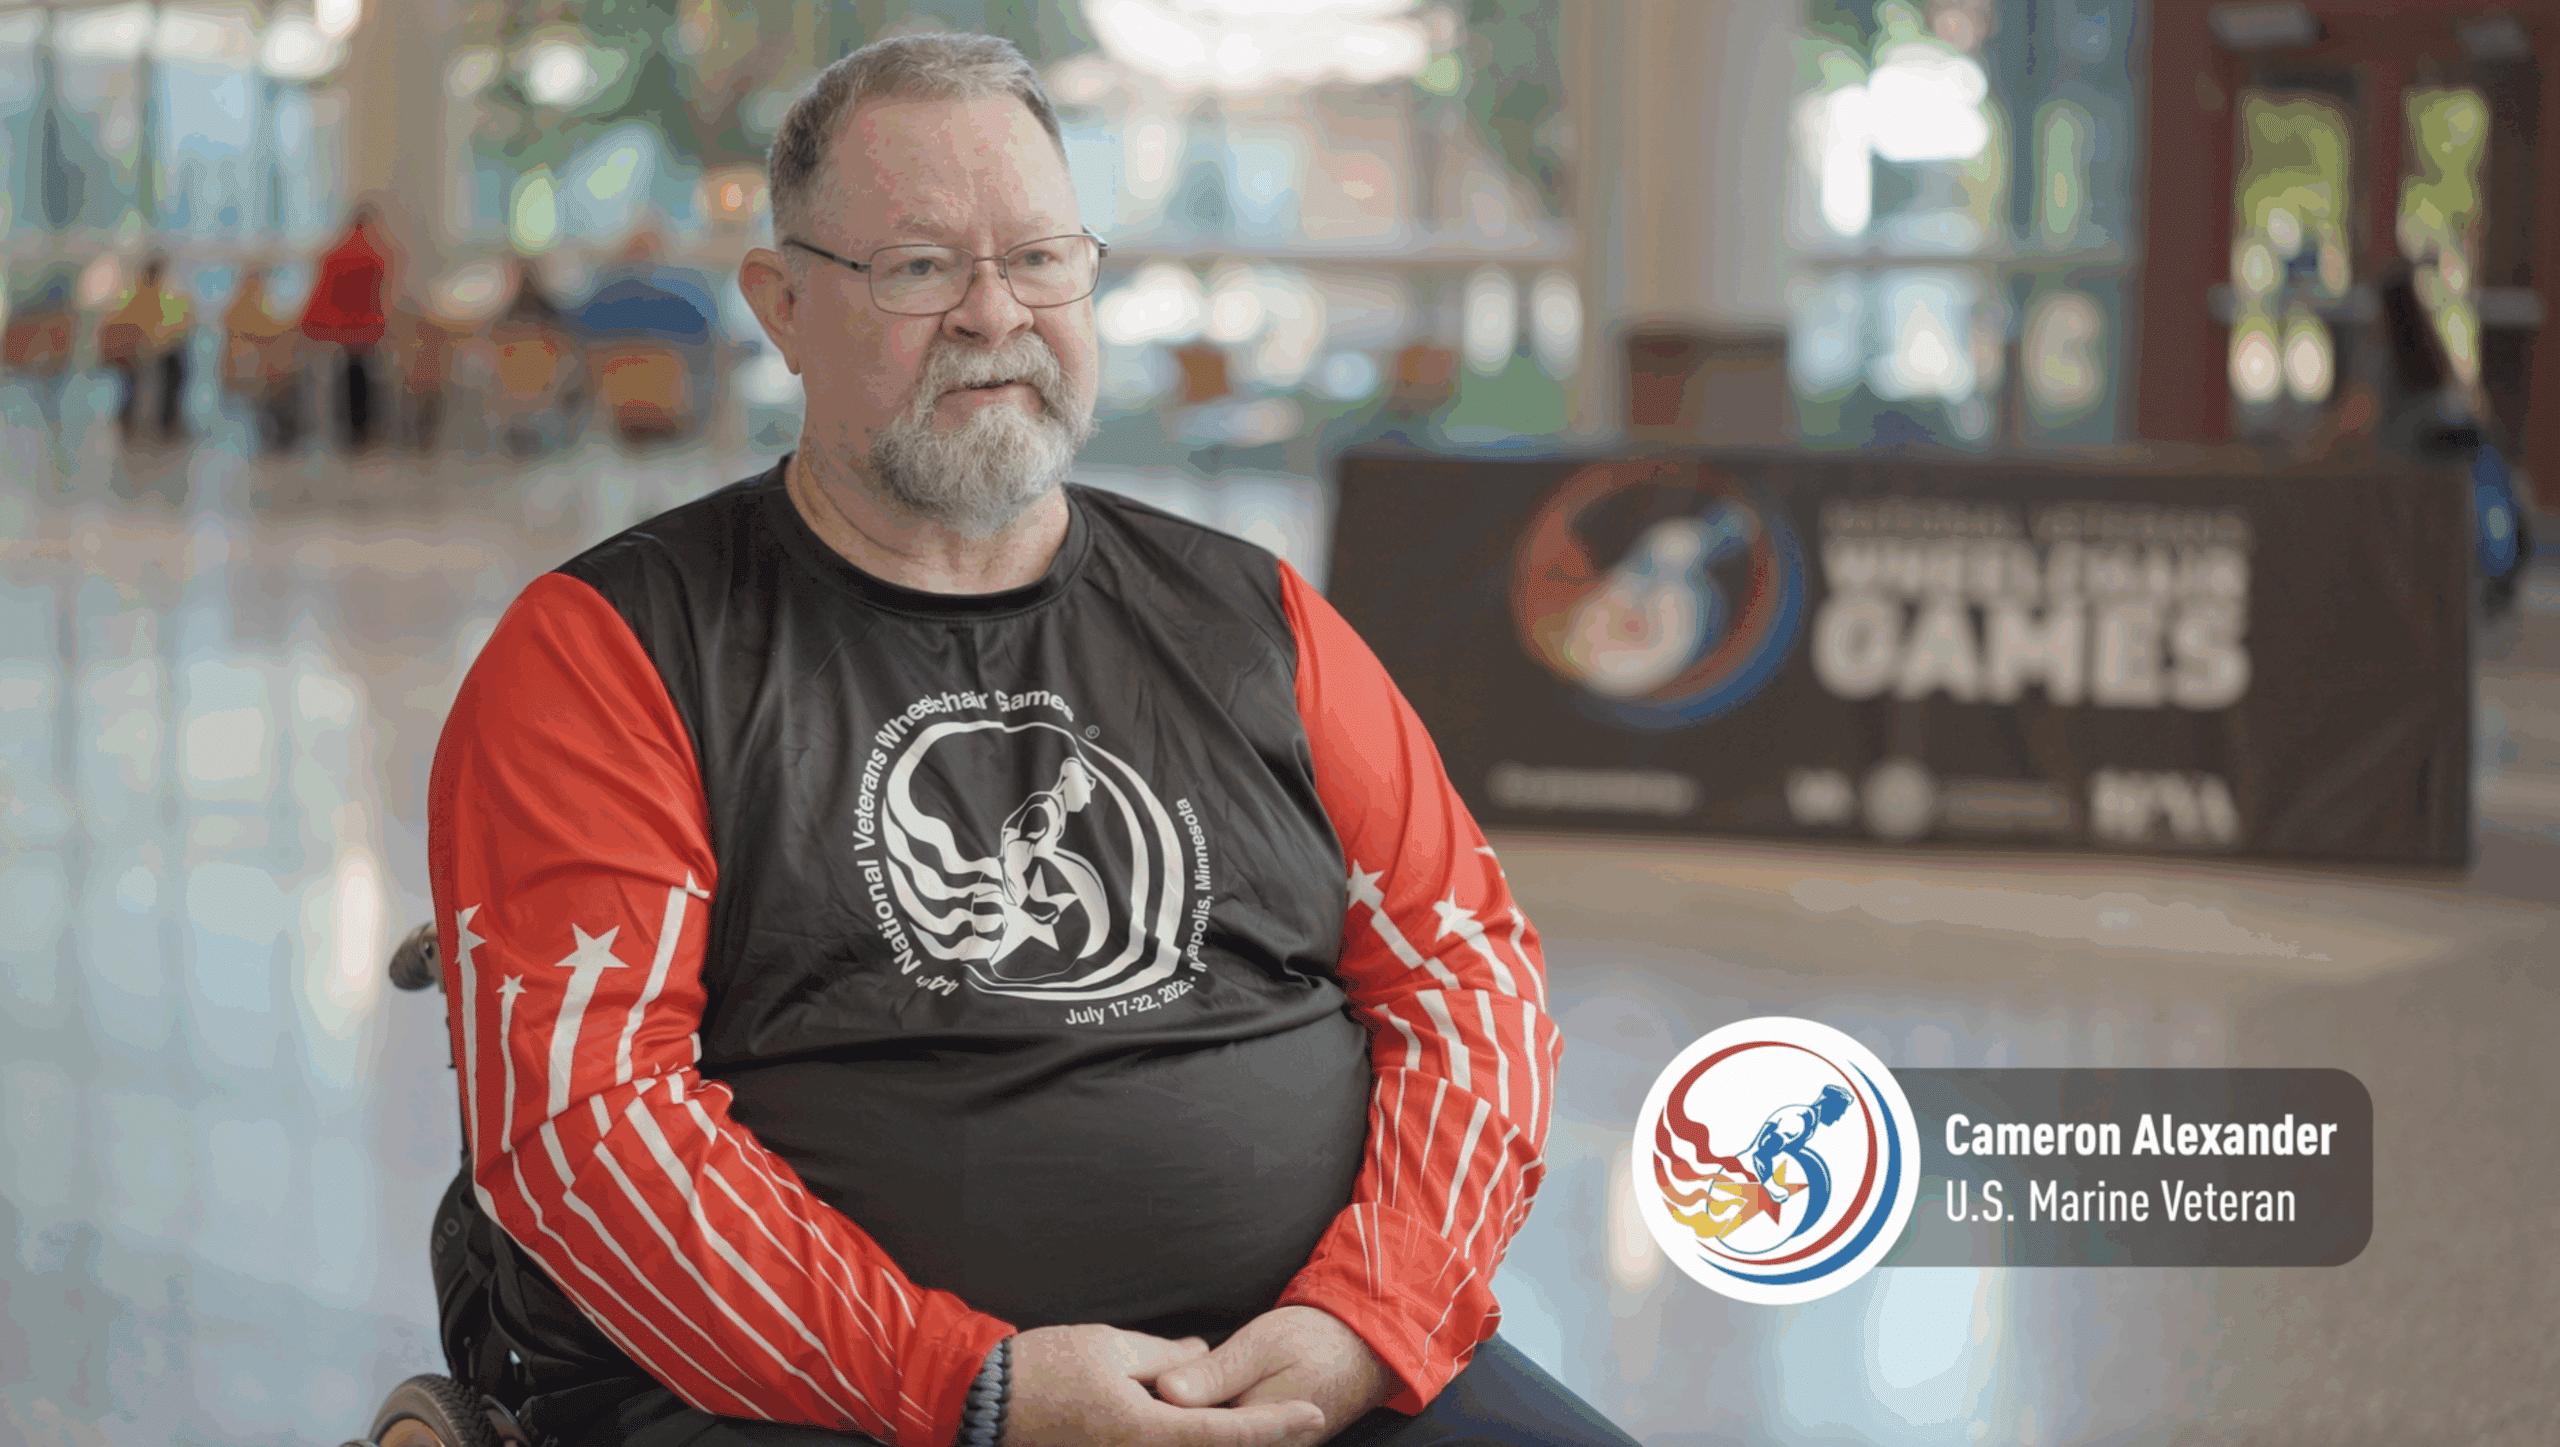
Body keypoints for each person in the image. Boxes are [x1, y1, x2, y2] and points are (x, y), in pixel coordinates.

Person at [427, 31, 1636, 1447]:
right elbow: (585, 1132)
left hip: (1308, 1363)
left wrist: (1377, 1311)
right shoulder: (610, 651)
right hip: (814, 1396)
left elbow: (1468, 975)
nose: (993, 314)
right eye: (920, 267)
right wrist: (973, 1386)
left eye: (1042, 258)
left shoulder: (1256, 616)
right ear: (783, 304)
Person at [302, 203, 392, 451]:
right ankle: (362, 430)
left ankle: (351, 430)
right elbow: (377, 295)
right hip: (361, 328)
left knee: (349, 379)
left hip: (344, 328)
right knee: (361, 379)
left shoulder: (341, 252)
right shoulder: (370, 253)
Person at [96, 254, 195, 445]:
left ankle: (138, 423)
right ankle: (161, 424)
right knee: (158, 386)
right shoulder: (151, 292)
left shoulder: (139, 291)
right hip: (154, 347)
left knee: (138, 387)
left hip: (148, 347)